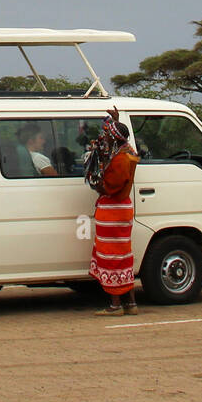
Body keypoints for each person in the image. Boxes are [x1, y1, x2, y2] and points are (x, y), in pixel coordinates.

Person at [86, 107, 141, 316]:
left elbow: (109, 187)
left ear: (115, 139)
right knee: (124, 256)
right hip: (122, 210)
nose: (105, 138)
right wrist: (116, 121)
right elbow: (124, 140)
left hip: (113, 211)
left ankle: (115, 305)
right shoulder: (127, 153)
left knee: (111, 257)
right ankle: (131, 304)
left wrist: (95, 182)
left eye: (109, 135)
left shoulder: (119, 160)